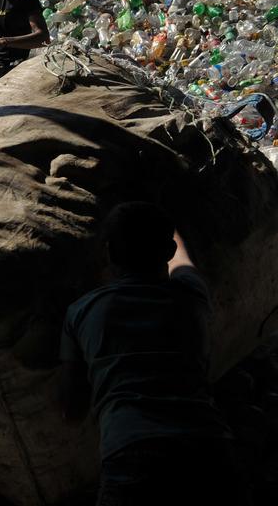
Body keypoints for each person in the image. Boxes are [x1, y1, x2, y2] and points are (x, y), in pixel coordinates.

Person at [59, 202, 250, 506]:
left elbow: (72, 411)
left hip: (132, 452)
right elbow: (182, 262)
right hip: (209, 448)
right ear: (168, 249)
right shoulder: (191, 296)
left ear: (108, 253)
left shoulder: (81, 313)